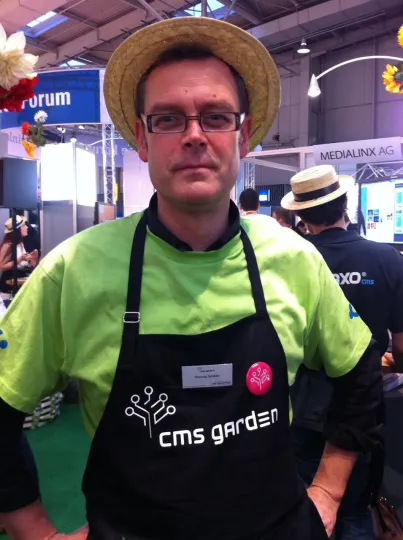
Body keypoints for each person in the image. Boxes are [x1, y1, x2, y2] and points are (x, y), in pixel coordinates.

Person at [0, 17, 383, 540]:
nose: (195, 136)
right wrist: (35, 531)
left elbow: (360, 370)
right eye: (168, 119)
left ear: (243, 136)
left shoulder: (294, 258)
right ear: (141, 138)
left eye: (216, 116)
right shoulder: (73, 271)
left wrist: (328, 492)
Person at [281, 164, 403, 540]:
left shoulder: (292, 260)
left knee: (303, 505)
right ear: (344, 204)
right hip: (364, 401)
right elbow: (401, 346)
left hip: (303, 403)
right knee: (353, 511)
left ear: (300, 215)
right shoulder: (386, 260)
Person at [0, 216, 38, 295]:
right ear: (17, 230)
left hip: (19, 283)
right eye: (24, 226)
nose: (27, 227)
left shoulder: (20, 243)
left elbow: (21, 264)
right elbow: (1, 266)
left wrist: (31, 258)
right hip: (8, 287)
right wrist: (20, 259)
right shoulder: (8, 245)